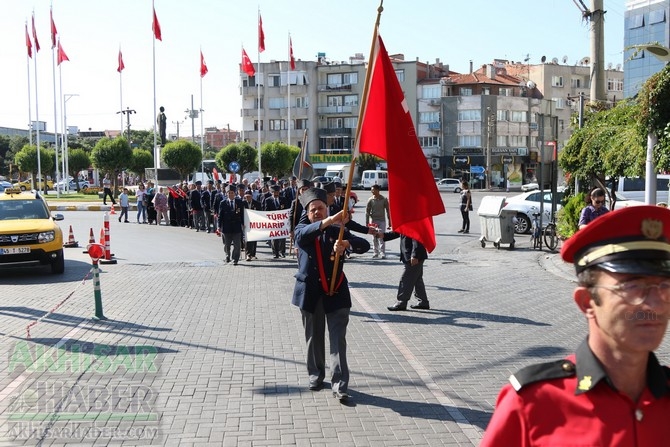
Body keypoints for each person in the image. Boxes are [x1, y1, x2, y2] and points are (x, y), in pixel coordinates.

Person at [480, 205, 670, 446]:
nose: (654, 305)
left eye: (665, 287)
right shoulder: (533, 405)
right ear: (587, 302)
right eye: (633, 287)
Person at [292, 188, 371, 402]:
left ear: (327, 209)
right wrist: (331, 220)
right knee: (314, 337)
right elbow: (303, 235)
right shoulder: (302, 229)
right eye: (313, 210)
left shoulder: (338, 229)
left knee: (338, 340)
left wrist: (347, 244)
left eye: (321, 209)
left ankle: (340, 384)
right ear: (307, 214)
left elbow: (364, 244)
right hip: (310, 293)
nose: (317, 212)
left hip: (336, 292)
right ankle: (316, 375)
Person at [379, 231, 430, 311]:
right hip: (412, 255)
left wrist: (415, 255)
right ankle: (423, 301)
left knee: (406, 279)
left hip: (414, 256)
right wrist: (384, 235)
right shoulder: (407, 219)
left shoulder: (413, 220)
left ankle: (401, 302)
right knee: (417, 279)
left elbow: (417, 236)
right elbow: (400, 231)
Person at [218, 186, 244, 265]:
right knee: (227, 244)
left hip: (236, 227)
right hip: (226, 227)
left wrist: (243, 223)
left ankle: (235, 258)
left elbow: (242, 214)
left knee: (237, 245)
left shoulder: (239, 202)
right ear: (226, 194)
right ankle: (227, 256)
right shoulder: (223, 203)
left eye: (232, 193)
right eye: (229, 193)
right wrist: (219, 226)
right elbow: (220, 216)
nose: (230, 194)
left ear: (235, 193)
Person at [365, 184, 390, 259]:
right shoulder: (370, 200)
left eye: (373, 189)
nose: (372, 191)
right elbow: (367, 211)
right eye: (371, 189)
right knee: (374, 237)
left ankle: (382, 253)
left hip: (382, 220)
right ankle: (375, 252)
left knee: (381, 236)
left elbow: (388, 210)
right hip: (373, 221)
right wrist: (367, 222)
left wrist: (390, 221)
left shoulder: (384, 199)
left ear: (378, 190)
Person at [242, 190, 261, 261]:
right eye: (246, 197)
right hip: (246, 224)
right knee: (247, 239)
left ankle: (253, 254)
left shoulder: (257, 204)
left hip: (254, 224)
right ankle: (248, 254)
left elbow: (260, 213)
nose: (248, 198)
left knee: (254, 239)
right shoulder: (242, 203)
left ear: (252, 196)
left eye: (249, 197)